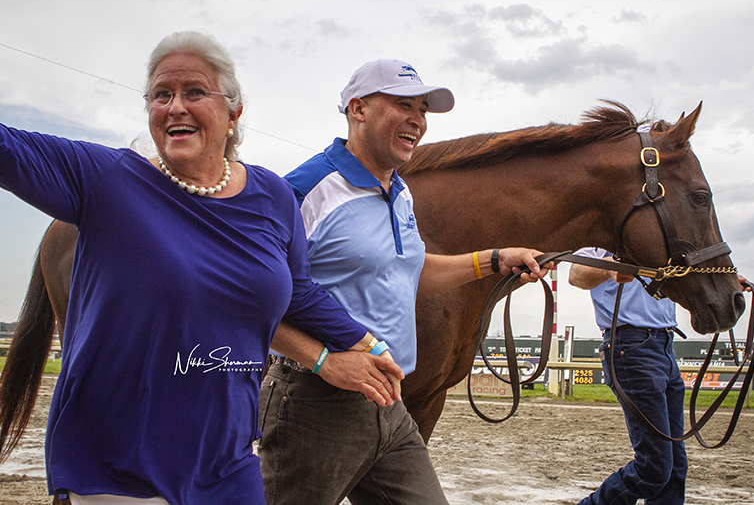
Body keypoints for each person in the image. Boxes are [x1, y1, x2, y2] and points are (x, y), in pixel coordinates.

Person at [0, 32, 402, 505]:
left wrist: (366, 342)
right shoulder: (107, 181)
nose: (175, 107)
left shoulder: (272, 197)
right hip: (118, 470)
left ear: (234, 113)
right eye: (161, 95)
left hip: (226, 465)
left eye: (194, 92)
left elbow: (296, 291)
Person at [257, 58, 552, 505]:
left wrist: (495, 259)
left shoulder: (399, 190)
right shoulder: (302, 190)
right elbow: (253, 296)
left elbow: (410, 272)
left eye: (423, 109)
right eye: (402, 104)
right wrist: (323, 362)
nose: (418, 120)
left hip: (389, 403)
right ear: (358, 108)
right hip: (313, 403)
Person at [569, 246, 687, 505]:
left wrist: (725, 279)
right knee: (653, 468)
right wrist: (612, 266)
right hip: (631, 345)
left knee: (675, 464)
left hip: (665, 344)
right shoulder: (598, 244)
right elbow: (576, 274)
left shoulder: (659, 241)